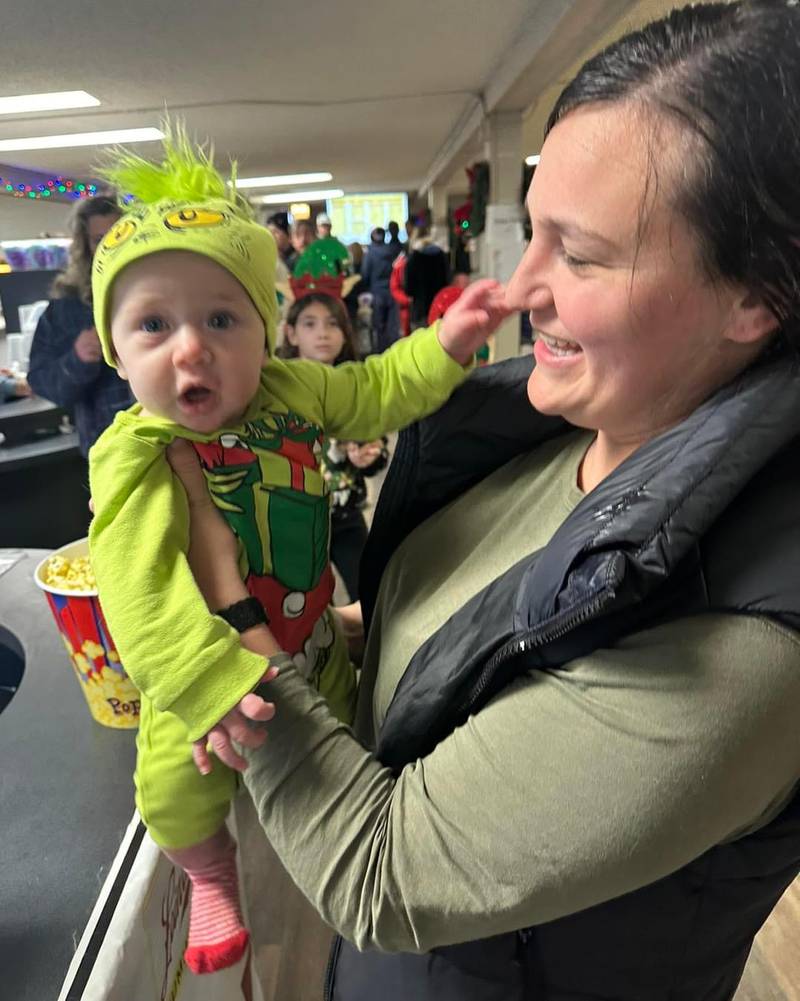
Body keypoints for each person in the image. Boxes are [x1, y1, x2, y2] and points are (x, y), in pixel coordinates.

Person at [166, 3, 800, 998]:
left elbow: (380, 872)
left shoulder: (743, 642)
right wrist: (322, 625)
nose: (519, 286)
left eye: (581, 254)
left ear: (752, 297)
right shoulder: (551, 429)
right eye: (532, 233)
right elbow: (465, 645)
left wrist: (217, 625)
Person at [87, 131, 507, 977]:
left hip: (313, 628)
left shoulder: (290, 388)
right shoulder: (136, 454)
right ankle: (210, 876)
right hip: (204, 676)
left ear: (264, 328)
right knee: (175, 786)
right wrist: (207, 687)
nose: (190, 348)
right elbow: (140, 595)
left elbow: (374, 391)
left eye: (220, 318)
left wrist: (447, 342)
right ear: (116, 350)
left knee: (346, 737)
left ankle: (354, 870)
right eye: (153, 325)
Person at [278, 292, 388, 601]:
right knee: (301, 606)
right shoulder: (277, 389)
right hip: (295, 522)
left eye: (332, 324)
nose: (323, 333)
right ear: (291, 333)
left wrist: (369, 456)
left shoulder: (354, 385)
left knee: (373, 593)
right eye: (310, 324)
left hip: (345, 514)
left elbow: (377, 450)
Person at [26, 194, 134, 455]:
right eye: (100, 239)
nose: (112, 244)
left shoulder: (166, 287)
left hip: (177, 436)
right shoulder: (66, 307)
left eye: (120, 233)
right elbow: (42, 382)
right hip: (110, 449)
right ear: (85, 245)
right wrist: (78, 358)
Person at [361, 226, 401, 352]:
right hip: (392, 292)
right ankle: (393, 352)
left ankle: (380, 353)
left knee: (379, 327)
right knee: (392, 326)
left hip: (376, 293)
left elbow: (365, 275)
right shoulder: (392, 252)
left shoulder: (369, 254)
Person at [404, 225, 449, 330]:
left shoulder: (413, 258)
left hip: (420, 310)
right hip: (439, 308)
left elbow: (408, 290)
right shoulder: (441, 255)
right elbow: (447, 281)